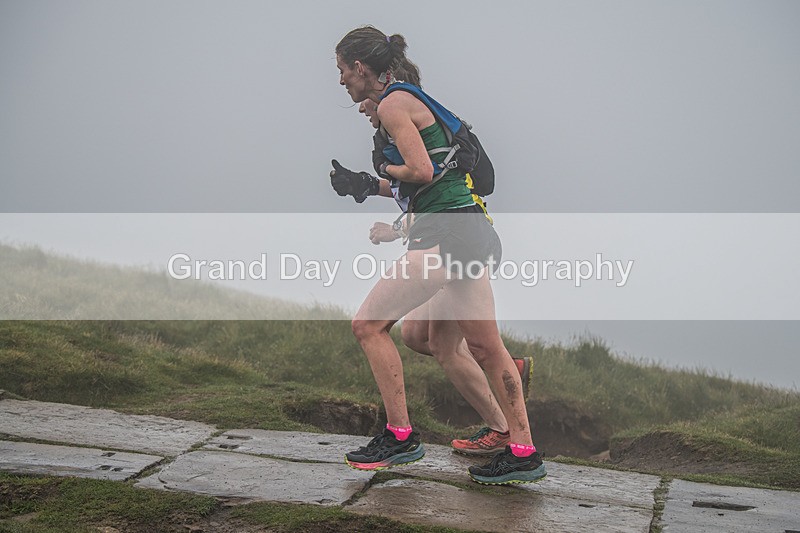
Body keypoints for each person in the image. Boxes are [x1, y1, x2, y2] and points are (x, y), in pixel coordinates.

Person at [333, 25, 545, 485]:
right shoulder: (411, 98)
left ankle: (400, 436)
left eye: (342, 71)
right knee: (486, 348)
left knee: (368, 326)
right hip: (469, 230)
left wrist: (382, 169)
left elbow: (422, 171)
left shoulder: (391, 104)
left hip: (443, 232)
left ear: (361, 67)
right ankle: (524, 451)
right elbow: (432, 172)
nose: (342, 82)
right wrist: (371, 184)